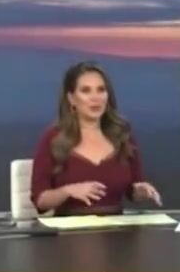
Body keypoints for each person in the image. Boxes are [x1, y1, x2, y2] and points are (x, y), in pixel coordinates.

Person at [31, 62, 163, 216]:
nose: (95, 98)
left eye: (101, 90)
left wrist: (140, 191)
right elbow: (40, 201)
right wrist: (68, 191)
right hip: (70, 228)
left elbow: (132, 191)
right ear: (71, 98)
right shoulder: (53, 138)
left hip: (117, 228)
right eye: (86, 90)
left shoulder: (122, 137)